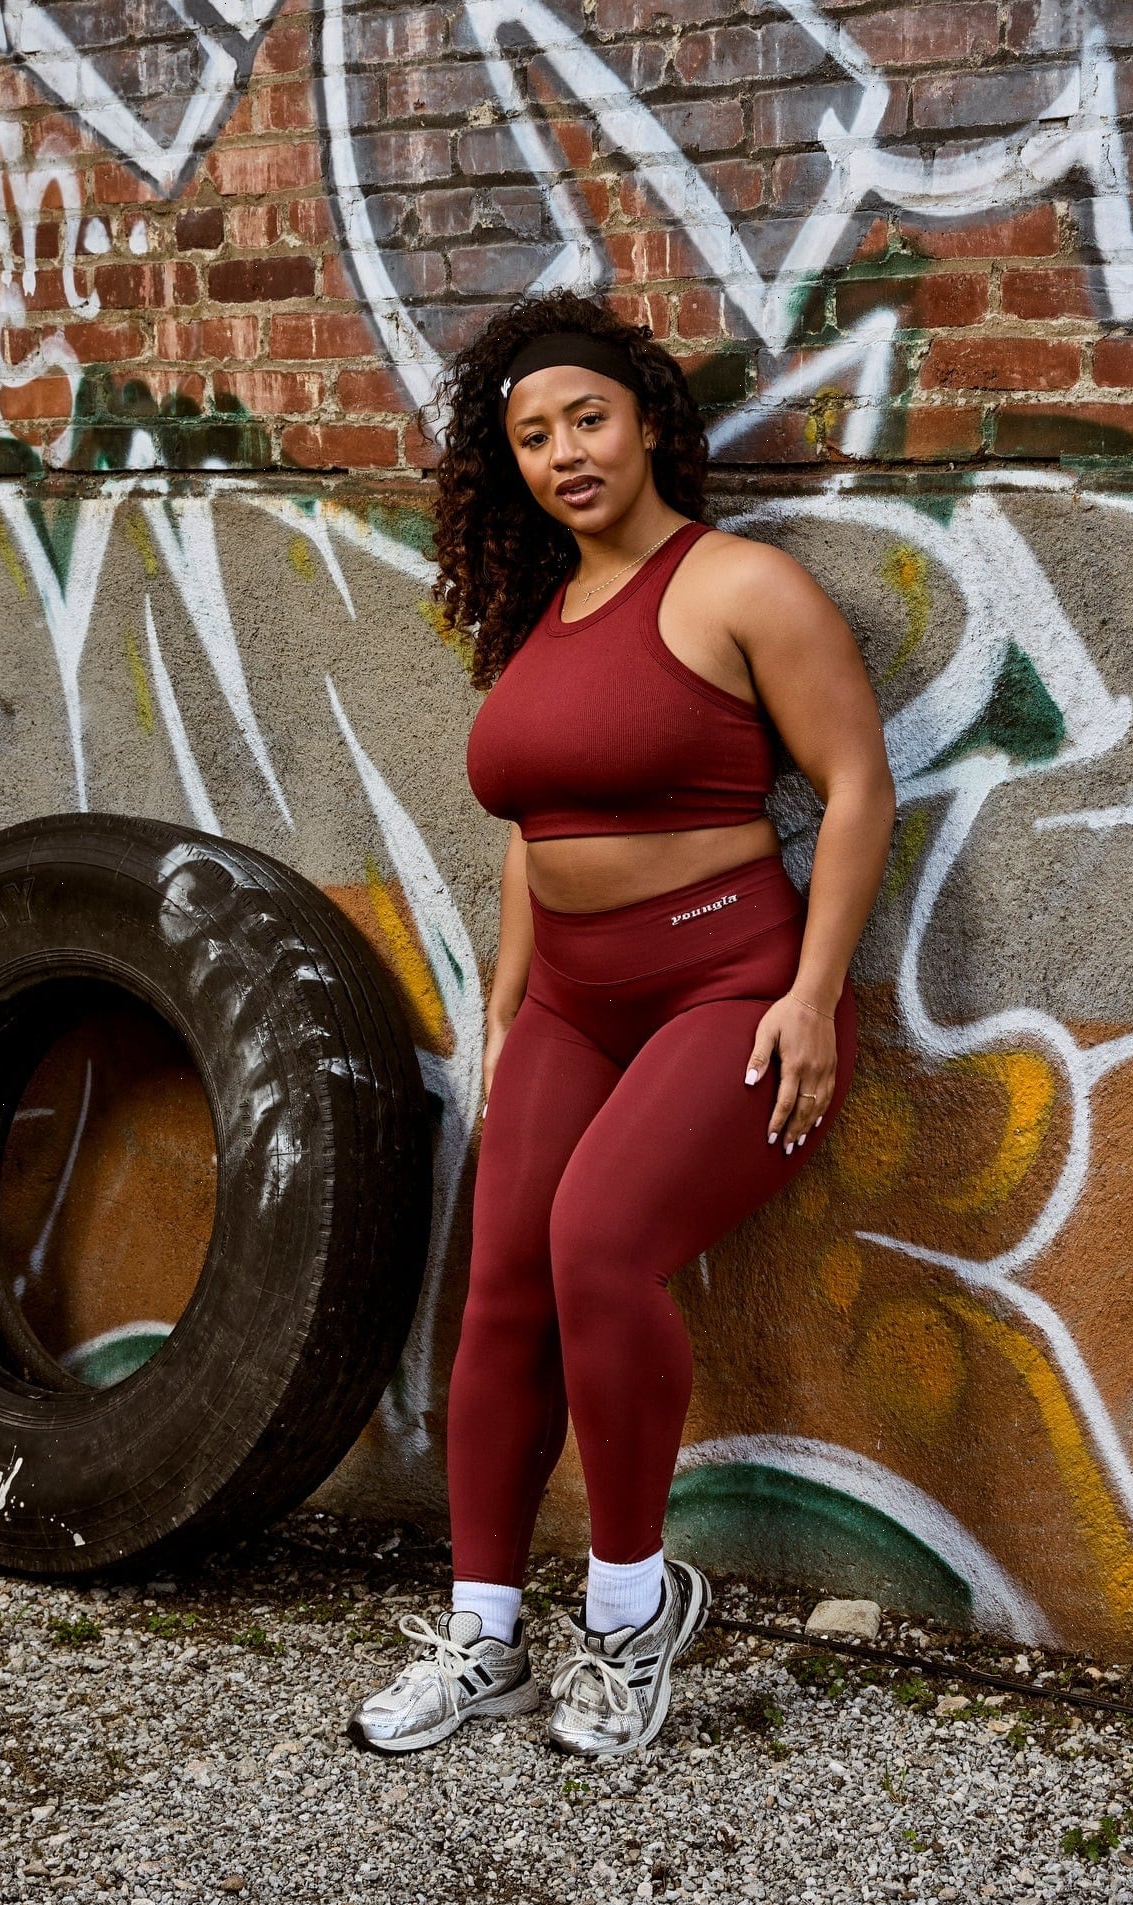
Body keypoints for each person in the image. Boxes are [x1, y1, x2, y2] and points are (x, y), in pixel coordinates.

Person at [350, 291, 896, 1760]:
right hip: (569, 1005)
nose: (565, 455)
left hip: (730, 987)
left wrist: (808, 995)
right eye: (533, 438)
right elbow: (535, 829)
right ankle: (484, 1639)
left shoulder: (738, 587)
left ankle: (630, 1611)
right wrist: (508, 998)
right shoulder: (539, 616)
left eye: (587, 419)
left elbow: (856, 786)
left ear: (647, 421)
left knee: (595, 1247)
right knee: (499, 1291)